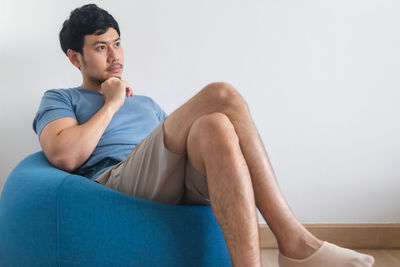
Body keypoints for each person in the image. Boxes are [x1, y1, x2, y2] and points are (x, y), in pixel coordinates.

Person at [32, 4, 375, 267]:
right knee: (221, 94)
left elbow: (176, 150)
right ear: (75, 57)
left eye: (117, 44)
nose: (115, 55)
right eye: (100, 47)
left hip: (162, 179)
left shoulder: (148, 103)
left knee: (216, 126)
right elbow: (65, 155)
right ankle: (294, 240)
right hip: (113, 182)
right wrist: (112, 103)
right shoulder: (61, 98)